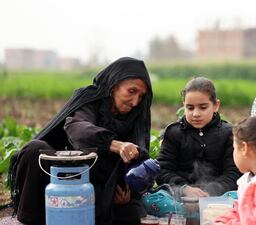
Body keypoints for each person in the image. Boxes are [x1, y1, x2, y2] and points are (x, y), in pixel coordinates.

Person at [8, 57, 153, 225]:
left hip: (103, 186)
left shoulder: (137, 116)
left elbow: (140, 159)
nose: (136, 102)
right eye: (131, 91)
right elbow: (76, 127)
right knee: (34, 150)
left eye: (141, 96)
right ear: (114, 86)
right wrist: (114, 144)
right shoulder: (90, 100)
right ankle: (30, 220)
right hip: (65, 174)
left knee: (130, 213)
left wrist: (130, 192)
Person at [156, 77, 241, 198]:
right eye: (190, 108)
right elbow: (163, 170)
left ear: (216, 105)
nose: (196, 114)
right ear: (183, 105)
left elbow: (233, 173)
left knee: (238, 197)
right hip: (180, 197)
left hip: (217, 196)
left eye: (203, 107)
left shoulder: (228, 133)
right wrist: (184, 189)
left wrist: (209, 192)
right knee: (155, 200)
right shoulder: (174, 133)